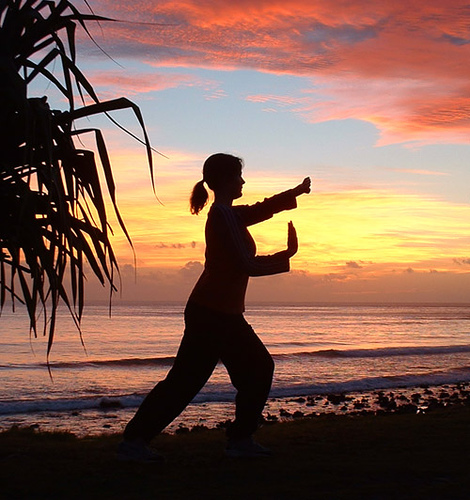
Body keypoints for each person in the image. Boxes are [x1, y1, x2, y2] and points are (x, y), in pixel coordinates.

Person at [118, 153, 311, 462]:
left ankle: (237, 439)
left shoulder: (230, 215)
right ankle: (138, 441)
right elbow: (246, 265)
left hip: (222, 313)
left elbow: (262, 209)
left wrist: (295, 193)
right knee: (197, 379)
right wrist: (286, 256)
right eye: (238, 176)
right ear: (224, 180)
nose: (243, 181)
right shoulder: (222, 216)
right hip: (213, 314)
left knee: (238, 372)